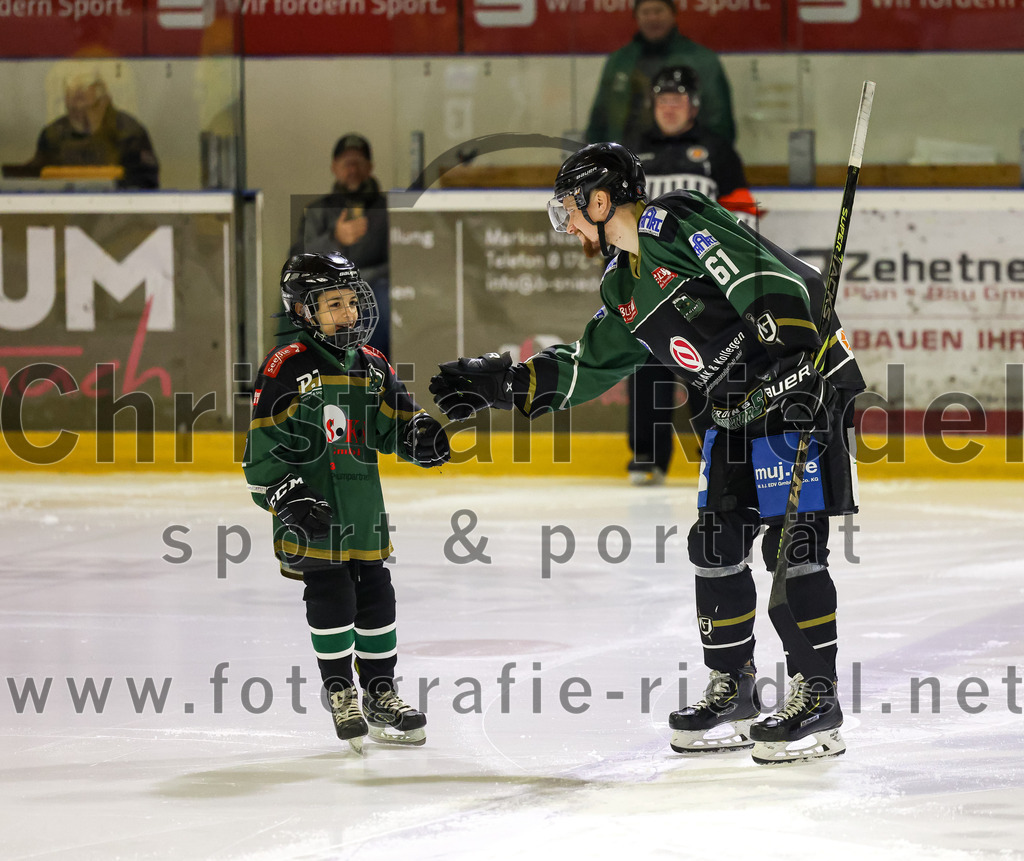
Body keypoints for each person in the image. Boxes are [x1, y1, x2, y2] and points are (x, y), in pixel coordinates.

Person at [429, 143, 863, 765]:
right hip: (733, 416)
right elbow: (589, 364)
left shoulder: (673, 222)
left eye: (572, 209)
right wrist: (505, 384)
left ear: (600, 200)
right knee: (713, 546)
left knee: (791, 548)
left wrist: (796, 353)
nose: (569, 224)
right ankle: (735, 689)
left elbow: (771, 279)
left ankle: (817, 696)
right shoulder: (621, 283)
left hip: (800, 394)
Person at [242, 252, 450, 752]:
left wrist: (419, 436)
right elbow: (260, 457)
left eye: (352, 301)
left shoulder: (373, 365)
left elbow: (394, 426)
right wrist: (285, 495)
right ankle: (341, 691)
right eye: (333, 304)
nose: (349, 313)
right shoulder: (285, 369)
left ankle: (381, 691)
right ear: (303, 311)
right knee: (332, 594)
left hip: (362, 509)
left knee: (378, 594)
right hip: (312, 509)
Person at [624, 65, 761, 486]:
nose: (669, 108)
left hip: (704, 282)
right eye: (662, 100)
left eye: (677, 100)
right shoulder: (631, 153)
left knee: (713, 362)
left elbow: (742, 212)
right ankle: (647, 456)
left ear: (693, 105)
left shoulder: (716, 151)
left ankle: (716, 448)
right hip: (646, 278)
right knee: (647, 364)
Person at [585, 0, 736, 149]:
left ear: (673, 14)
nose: (652, 18)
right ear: (636, 17)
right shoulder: (619, 61)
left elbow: (720, 121)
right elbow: (599, 117)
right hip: (626, 160)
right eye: (645, 12)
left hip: (686, 161)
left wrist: (710, 158)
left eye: (658, 11)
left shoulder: (701, 60)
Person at [292, 134, 391, 356]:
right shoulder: (317, 211)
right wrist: (335, 238)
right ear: (334, 167)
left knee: (379, 300)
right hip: (327, 288)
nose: (352, 169)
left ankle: (373, 373)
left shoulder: (387, 211)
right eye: (347, 163)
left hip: (376, 287)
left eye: (358, 163)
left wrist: (360, 279)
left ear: (370, 168)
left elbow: (400, 261)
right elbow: (298, 261)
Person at [22, 70, 159, 190]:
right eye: (72, 108)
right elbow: (37, 177)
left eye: (85, 107)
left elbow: (146, 182)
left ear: (103, 102)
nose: (78, 115)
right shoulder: (54, 134)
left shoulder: (129, 133)